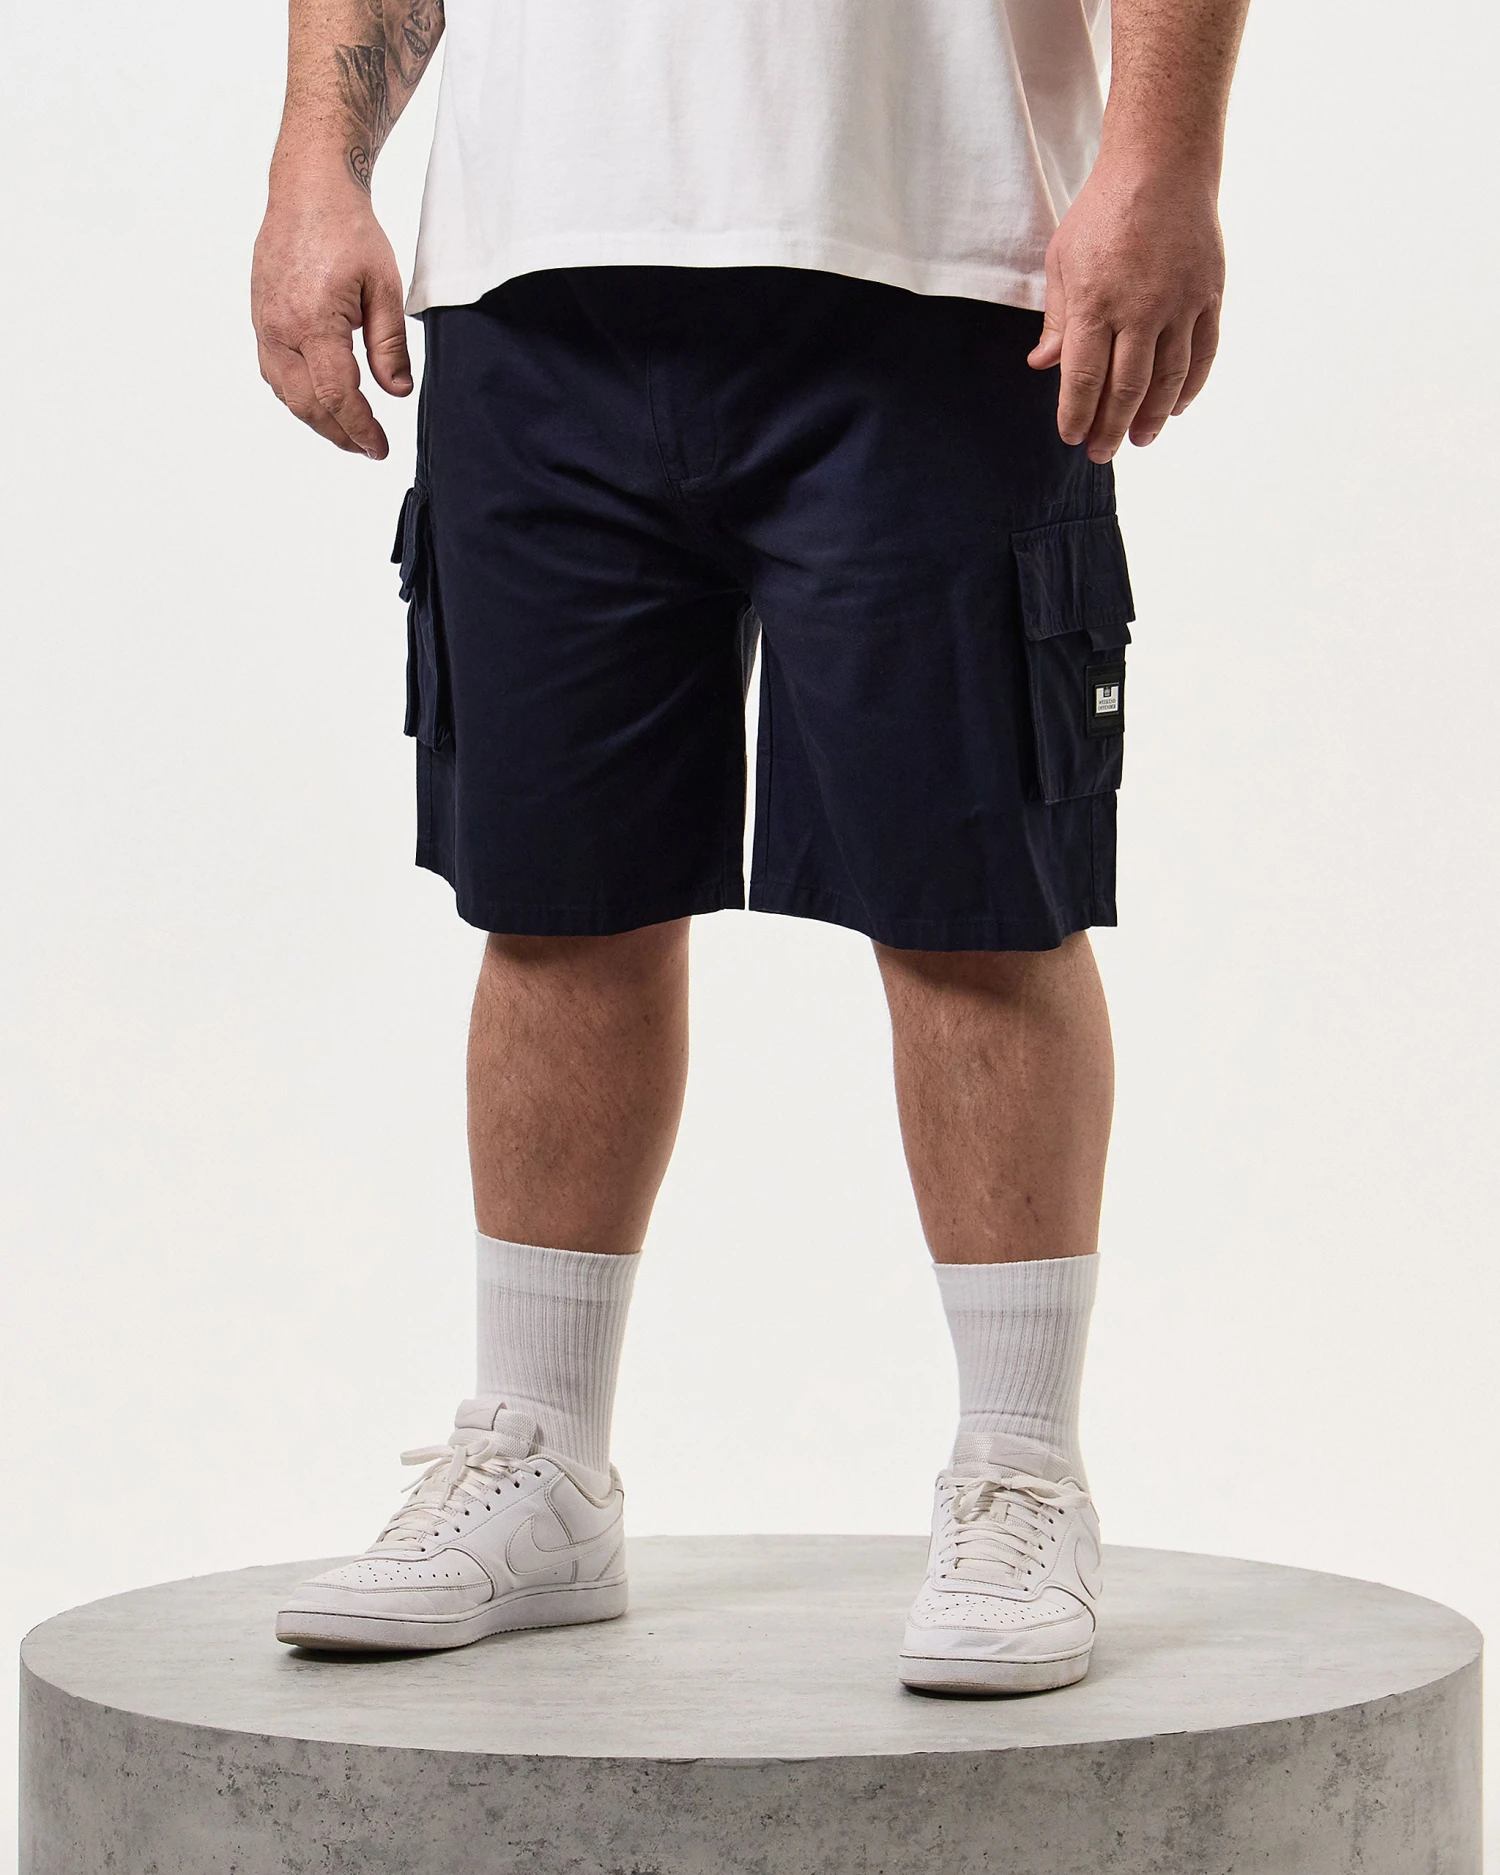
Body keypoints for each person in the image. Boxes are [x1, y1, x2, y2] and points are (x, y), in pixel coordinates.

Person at [252, 0, 1246, 1692]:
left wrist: (1161, 166)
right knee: (555, 899)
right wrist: (314, 165)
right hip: (534, 273)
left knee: (976, 899)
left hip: (940, 258)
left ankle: (1021, 1469)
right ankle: (540, 1459)